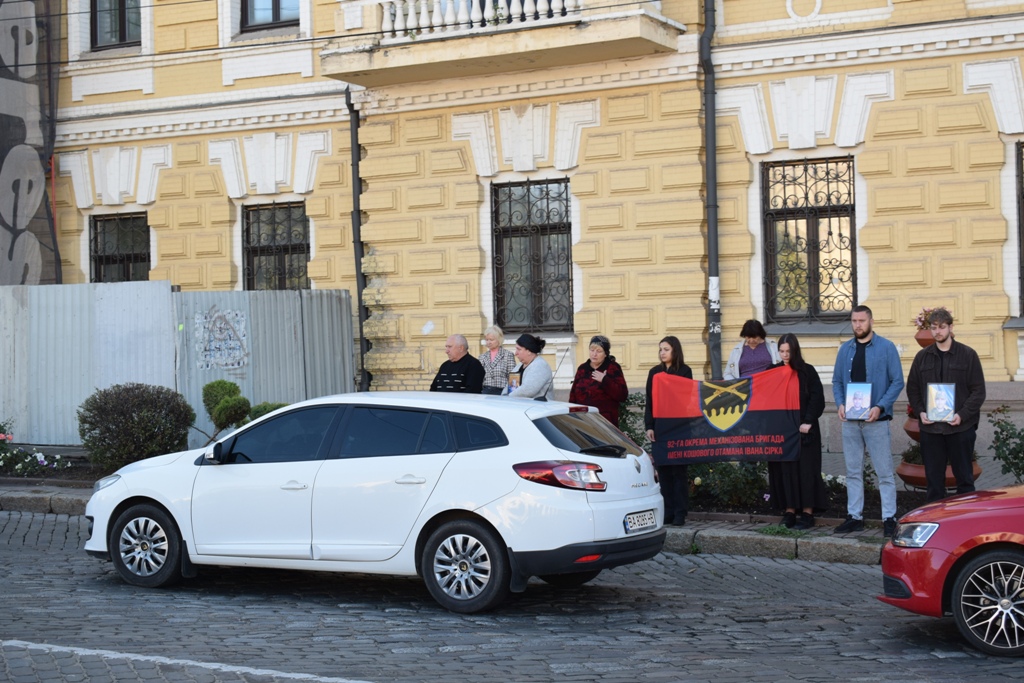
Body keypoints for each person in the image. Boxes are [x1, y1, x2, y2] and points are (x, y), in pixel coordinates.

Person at [832, 305, 904, 537]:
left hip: (877, 420)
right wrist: (841, 403)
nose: (857, 325)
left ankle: (889, 518)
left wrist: (880, 406)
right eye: (854, 321)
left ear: (871, 321)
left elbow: (897, 381)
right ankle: (855, 517)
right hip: (851, 421)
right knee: (853, 471)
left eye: (862, 321)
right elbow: (836, 382)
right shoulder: (845, 350)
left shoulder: (886, 348)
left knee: (884, 472)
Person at [906, 307, 986, 503]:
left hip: (960, 427)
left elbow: (978, 391)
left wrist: (962, 415)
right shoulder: (922, 357)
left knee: (965, 480)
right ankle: (936, 522)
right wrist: (920, 411)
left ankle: (966, 521)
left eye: (942, 327)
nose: (938, 332)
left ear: (951, 327)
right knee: (933, 481)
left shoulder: (968, 355)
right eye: (934, 327)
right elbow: (913, 389)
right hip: (931, 429)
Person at [767, 333, 827, 530]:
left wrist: (808, 421)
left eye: (788, 351)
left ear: (795, 351)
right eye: (781, 351)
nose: (785, 355)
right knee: (786, 471)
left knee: (806, 470)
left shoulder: (807, 371)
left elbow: (817, 398)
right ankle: (790, 511)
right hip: (783, 432)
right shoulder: (772, 371)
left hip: (805, 430)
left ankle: (807, 513)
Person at [644, 336, 692, 527]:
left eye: (666, 349)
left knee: (679, 471)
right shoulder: (654, 372)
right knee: (663, 471)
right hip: (660, 427)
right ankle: (668, 511)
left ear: (675, 351)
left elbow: (686, 397)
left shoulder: (684, 371)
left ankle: (680, 512)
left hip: (679, 426)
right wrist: (649, 426)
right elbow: (650, 401)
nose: (662, 353)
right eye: (660, 349)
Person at [568, 335, 629, 426]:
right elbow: (573, 395)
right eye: (592, 350)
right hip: (584, 421)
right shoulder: (582, 369)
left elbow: (622, 395)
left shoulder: (612, 368)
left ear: (606, 353)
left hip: (605, 422)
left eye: (599, 351)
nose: (594, 354)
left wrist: (605, 380)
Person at [503, 333, 554, 400]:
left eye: (519, 349)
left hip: (538, 408)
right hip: (518, 406)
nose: (516, 353)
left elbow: (528, 390)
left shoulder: (540, 366)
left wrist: (508, 398)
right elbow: (510, 386)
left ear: (529, 351)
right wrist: (503, 397)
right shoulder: (519, 366)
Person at [478, 325, 517, 395]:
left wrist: (512, 395)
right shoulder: (482, 357)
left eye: (491, 340)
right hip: (485, 393)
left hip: (502, 393)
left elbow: (513, 378)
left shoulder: (508, 355)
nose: (488, 342)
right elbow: (478, 378)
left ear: (499, 340)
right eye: (487, 340)